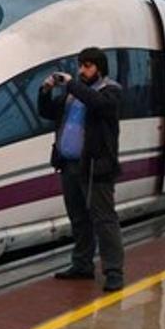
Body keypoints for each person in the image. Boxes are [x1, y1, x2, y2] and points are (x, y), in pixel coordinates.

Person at [37, 47, 125, 292]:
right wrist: (44, 91)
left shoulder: (111, 91)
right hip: (69, 165)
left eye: (87, 66)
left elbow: (98, 104)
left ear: (100, 68)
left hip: (97, 168)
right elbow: (45, 112)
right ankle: (82, 264)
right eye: (80, 66)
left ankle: (114, 272)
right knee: (79, 219)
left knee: (104, 219)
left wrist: (72, 84)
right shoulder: (73, 95)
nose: (82, 71)